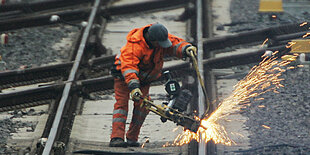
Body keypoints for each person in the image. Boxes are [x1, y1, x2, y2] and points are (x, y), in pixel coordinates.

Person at [109, 23, 197, 147]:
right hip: (123, 77)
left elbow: (174, 44)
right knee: (121, 106)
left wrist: (186, 48)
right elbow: (129, 68)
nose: (162, 46)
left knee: (142, 107)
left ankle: (132, 138)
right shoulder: (135, 47)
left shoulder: (158, 38)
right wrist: (134, 88)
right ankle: (116, 138)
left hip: (143, 79)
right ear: (152, 40)